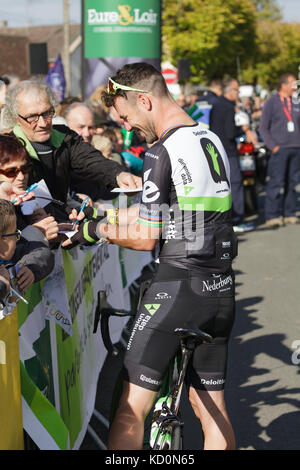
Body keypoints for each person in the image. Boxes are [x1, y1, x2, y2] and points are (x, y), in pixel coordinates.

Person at [64, 62, 237, 450]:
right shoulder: (208, 139)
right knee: (212, 412)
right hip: (221, 289)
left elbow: (145, 237)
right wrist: (101, 212)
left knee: (130, 408)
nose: (126, 127)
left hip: (178, 289)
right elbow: (183, 214)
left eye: (126, 116)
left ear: (143, 100)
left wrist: (93, 232)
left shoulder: (162, 151)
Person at [2, 80, 141, 221]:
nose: (43, 123)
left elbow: (90, 160)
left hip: (62, 225)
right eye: (32, 117)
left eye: (47, 113)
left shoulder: (64, 137)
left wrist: (119, 175)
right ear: (16, 118)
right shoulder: (9, 149)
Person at [210, 78, 257, 233]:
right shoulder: (228, 107)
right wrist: (243, 130)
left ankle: (225, 221)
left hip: (216, 152)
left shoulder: (217, 105)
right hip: (229, 152)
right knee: (236, 186)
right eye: (237, 90)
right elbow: (230, 132)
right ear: (230, 91)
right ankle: (237, 220)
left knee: (222, 188)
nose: (238, 93)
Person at [0, 134, 59, 243]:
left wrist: (57, 231)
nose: (21, 177)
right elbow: (6, 253)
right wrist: (35, 235)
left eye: (25, 168)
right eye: (11, 172)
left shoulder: (35, 192)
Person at [259, 73, 300, 227]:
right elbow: (263, 127)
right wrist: (273, 146)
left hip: (296, 148)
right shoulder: (272, 102)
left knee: (292, 182)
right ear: (283, 85)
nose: (295, 87)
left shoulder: (296, 102)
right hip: (279, 149)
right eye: (292, 84)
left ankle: (289, 213)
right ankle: (272, 215)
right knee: (276, 182)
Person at [0, 198, 54, 296]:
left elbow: (42, 252)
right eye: (14, 234)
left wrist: (29, 267)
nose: (17, 239)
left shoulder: (13, 253)